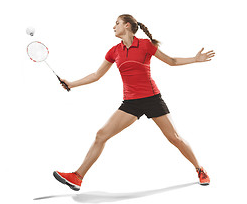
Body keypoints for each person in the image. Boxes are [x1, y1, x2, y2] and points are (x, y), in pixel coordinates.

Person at [53, 14, 215, 191]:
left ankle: (199, 169)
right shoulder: (114, 51)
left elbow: (172, 61)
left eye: (117, 23)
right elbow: (96, 75)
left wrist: (195, 59)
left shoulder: (145, 45)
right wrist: (72, 84)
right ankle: (77, 177)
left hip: (152, 99)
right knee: (101, 135)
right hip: (131, 103)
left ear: (127, 26)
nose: (114, 27)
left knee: (174, 138)